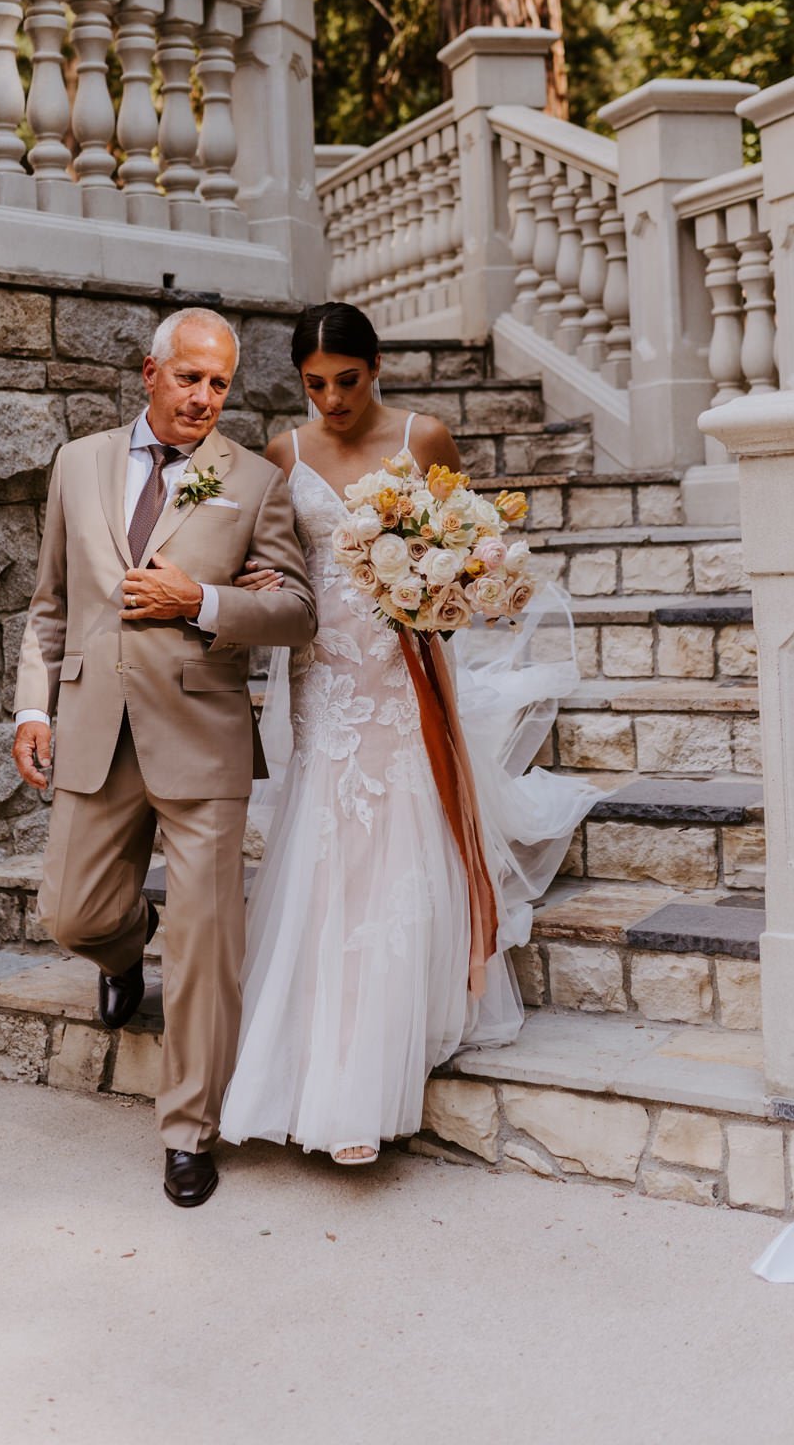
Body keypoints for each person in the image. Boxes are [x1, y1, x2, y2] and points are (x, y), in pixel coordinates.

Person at [219, 301, 594, 1165]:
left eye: (345, 381)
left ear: (375, 365)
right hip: (324, 681)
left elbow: (470, 549)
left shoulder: (423, 435)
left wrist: (440, 600)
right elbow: (278, 563)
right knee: (326, 841)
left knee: (394, 839)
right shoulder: (285, 451)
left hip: (402, 671)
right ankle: (312, 1054)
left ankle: (382, 1056)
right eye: (314, 386)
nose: (331, 401)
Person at [12, 306, 316, 1209]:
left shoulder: (254, 481)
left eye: (219, 382)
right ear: (149, 375)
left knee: (206, 944)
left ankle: (188, 1130)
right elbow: (50, 602)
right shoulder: (78, 464)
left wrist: (203, 601)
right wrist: (34, 705)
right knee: (69, 914)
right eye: (189, 378)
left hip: (202, 737)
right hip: (95, 731)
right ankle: (119, 955)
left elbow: (298, 610)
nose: (204, 397)